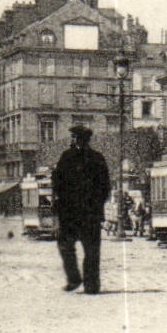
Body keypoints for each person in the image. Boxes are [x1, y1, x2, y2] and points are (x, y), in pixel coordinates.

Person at [51, 124, 110, 295]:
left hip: (74, 213)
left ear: (80, 139)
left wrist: (59, 204)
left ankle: (80, 280)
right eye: (73, 137)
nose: (73, 140)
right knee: (88, 249)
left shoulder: (67, 157)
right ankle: (86, 283)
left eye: (75, 137)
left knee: (73, 247)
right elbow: (105, 187)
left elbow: (57, 184)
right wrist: (97, 206)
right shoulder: (96, 158)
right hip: (83, 213)